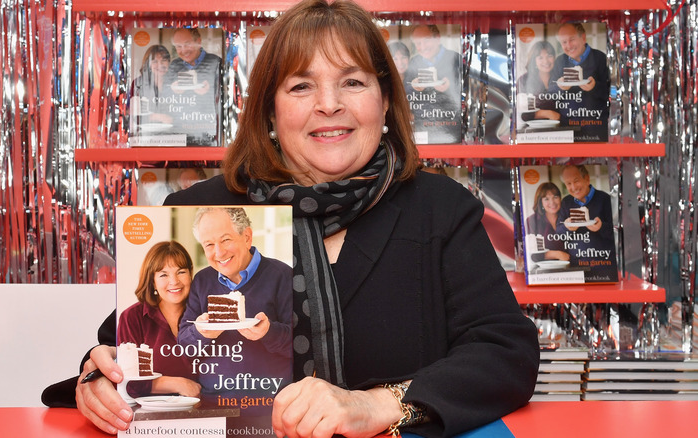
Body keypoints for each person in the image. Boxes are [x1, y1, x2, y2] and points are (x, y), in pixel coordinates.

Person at [75, 1, 539, 437]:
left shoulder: (441, 208)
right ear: (270, 111)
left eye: (353, 82)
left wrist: (381, 404)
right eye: (301, 86)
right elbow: (123, 346)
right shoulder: (201, 210)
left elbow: (504, 352)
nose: (329, 104)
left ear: (384, 101)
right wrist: (98, 377)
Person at [178, 207, 292, 415]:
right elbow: (184, 345)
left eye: (225, 240)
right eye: (209, 244)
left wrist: (268, 332)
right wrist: (201, 332)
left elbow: (303, 345)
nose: (219, 252)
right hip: (212, 407)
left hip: (269, 409)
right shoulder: (202, 281)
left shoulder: (282, 276)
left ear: (246, 236)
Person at [117, 241, 202, 398]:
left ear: (190, 274)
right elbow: (128, 382)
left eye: (181, 272)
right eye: (163, 274)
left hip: (207, 411)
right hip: (150, 414)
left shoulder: (204, 315)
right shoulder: (132, 318)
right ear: (152, 281)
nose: (174, 281)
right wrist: (179, 384)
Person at [401, 24, 462, 143]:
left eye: (426, 41)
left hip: (450, 130)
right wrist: (413, 87)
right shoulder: (414, 62)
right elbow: (403, 93)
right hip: (421, 129)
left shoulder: (455, 59)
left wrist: (451, 87)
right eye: (418, 43)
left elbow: (469, 92)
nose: (422, 47)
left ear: (438, 38)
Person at [555, 164, 617, 281]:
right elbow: (558, 232)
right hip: (575, 267)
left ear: (587, 178)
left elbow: (617, 232)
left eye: (576, 181)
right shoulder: (566, 202)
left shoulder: (605, 199)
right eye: (568, 184)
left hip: (603, 267)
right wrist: (567, 227)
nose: (573, 187)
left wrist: (601, 227)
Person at [162, 28, 222, 145]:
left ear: (198, 42)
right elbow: (162, 97)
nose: (183, 50)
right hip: (178, 134)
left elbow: (227, 96)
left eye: (187, 44)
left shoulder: (216, 62)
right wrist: (173, 91)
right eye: (178, 46)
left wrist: (210, 93)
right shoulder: (174, 65)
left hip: (209, 134)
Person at [551, 22, 609, 141]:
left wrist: (595, 87)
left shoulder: (600, 58)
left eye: (572, 39)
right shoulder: (559, 62)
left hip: (596, 129)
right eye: (564, 42)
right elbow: (549, 94)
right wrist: (560, 88)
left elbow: (612, 93)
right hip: (566, 129)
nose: (569, 45)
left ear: (583, 37)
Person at [130, 44, 174, 127]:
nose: (160, 65)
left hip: (174, 133)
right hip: (147, 134)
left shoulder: (176, 83)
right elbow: (133, 116)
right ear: (148, 64)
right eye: (155, 61)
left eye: (164, 60)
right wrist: (157, 117)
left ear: (168, 62)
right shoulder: (138, 84)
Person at [525, 182, 570, 262]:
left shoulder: (568, 217)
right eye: (546, 199)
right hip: (544, 270)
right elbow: (533, 254)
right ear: (540, 202)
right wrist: (558, 254)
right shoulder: (532, 221)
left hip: (573, 266)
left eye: (555, 197)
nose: (552, 202)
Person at [517, 41, 560, 123]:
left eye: (549, 56)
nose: (546, 61)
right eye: (540, 58)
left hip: (563, 128)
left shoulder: (560, 77)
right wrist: (547, 113)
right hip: (533, 130)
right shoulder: (524, 80)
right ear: (534, 61)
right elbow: (522, 112)